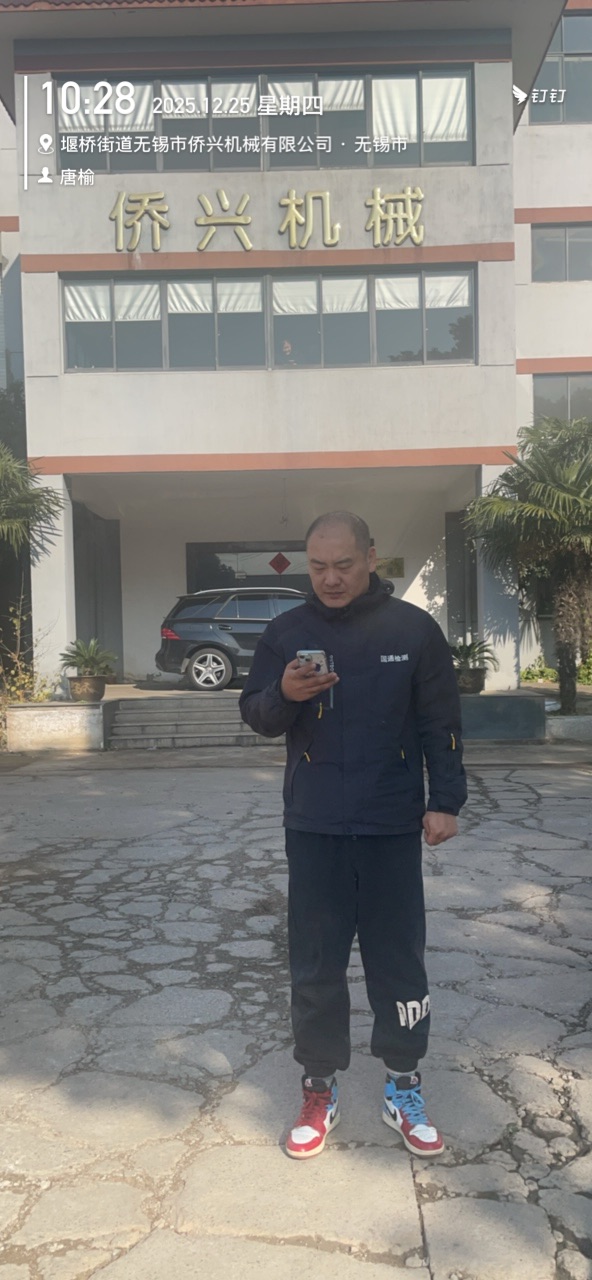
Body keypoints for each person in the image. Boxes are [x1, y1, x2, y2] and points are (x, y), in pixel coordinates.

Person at [239, 512, 466, 1160]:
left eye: (343, 564)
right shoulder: (286, 632)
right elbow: (256, 715)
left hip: (391, 823)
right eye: (318, 566)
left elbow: (442, 721)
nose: (331, 578)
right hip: (315, 825)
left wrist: (445, 801)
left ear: (371, 556)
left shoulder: (413, 630)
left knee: (399, 959)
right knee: (316, 964)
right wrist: (285, 692)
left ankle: (404, 1084)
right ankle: (318, 1087)